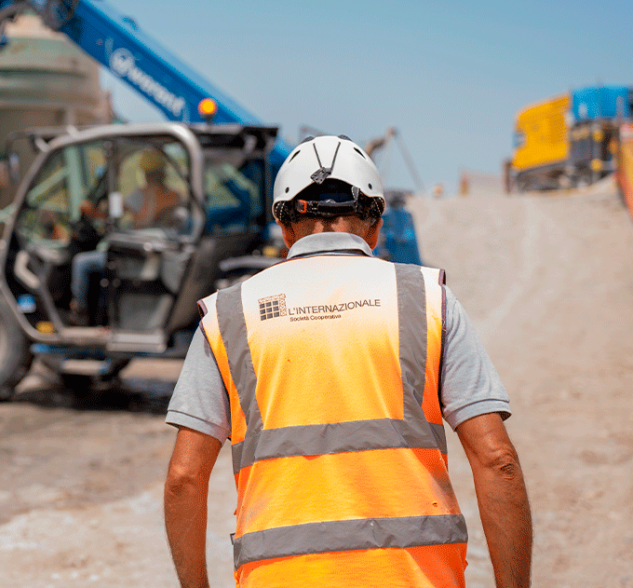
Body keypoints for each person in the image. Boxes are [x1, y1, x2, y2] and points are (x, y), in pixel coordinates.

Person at [163, 135, 532, 588]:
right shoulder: (428, 299)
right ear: (375, 227)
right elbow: (497, 461)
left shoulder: (228, 314)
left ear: (285, 230)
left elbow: (184, 478)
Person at [70, 148, 183, 322]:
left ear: (146, 174)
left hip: (134, 255)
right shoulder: (175, 196)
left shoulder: (141, 195)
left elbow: (109, 214)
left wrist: (88, 209)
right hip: (158, 254)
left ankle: (80, 310)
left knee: (82, 262)